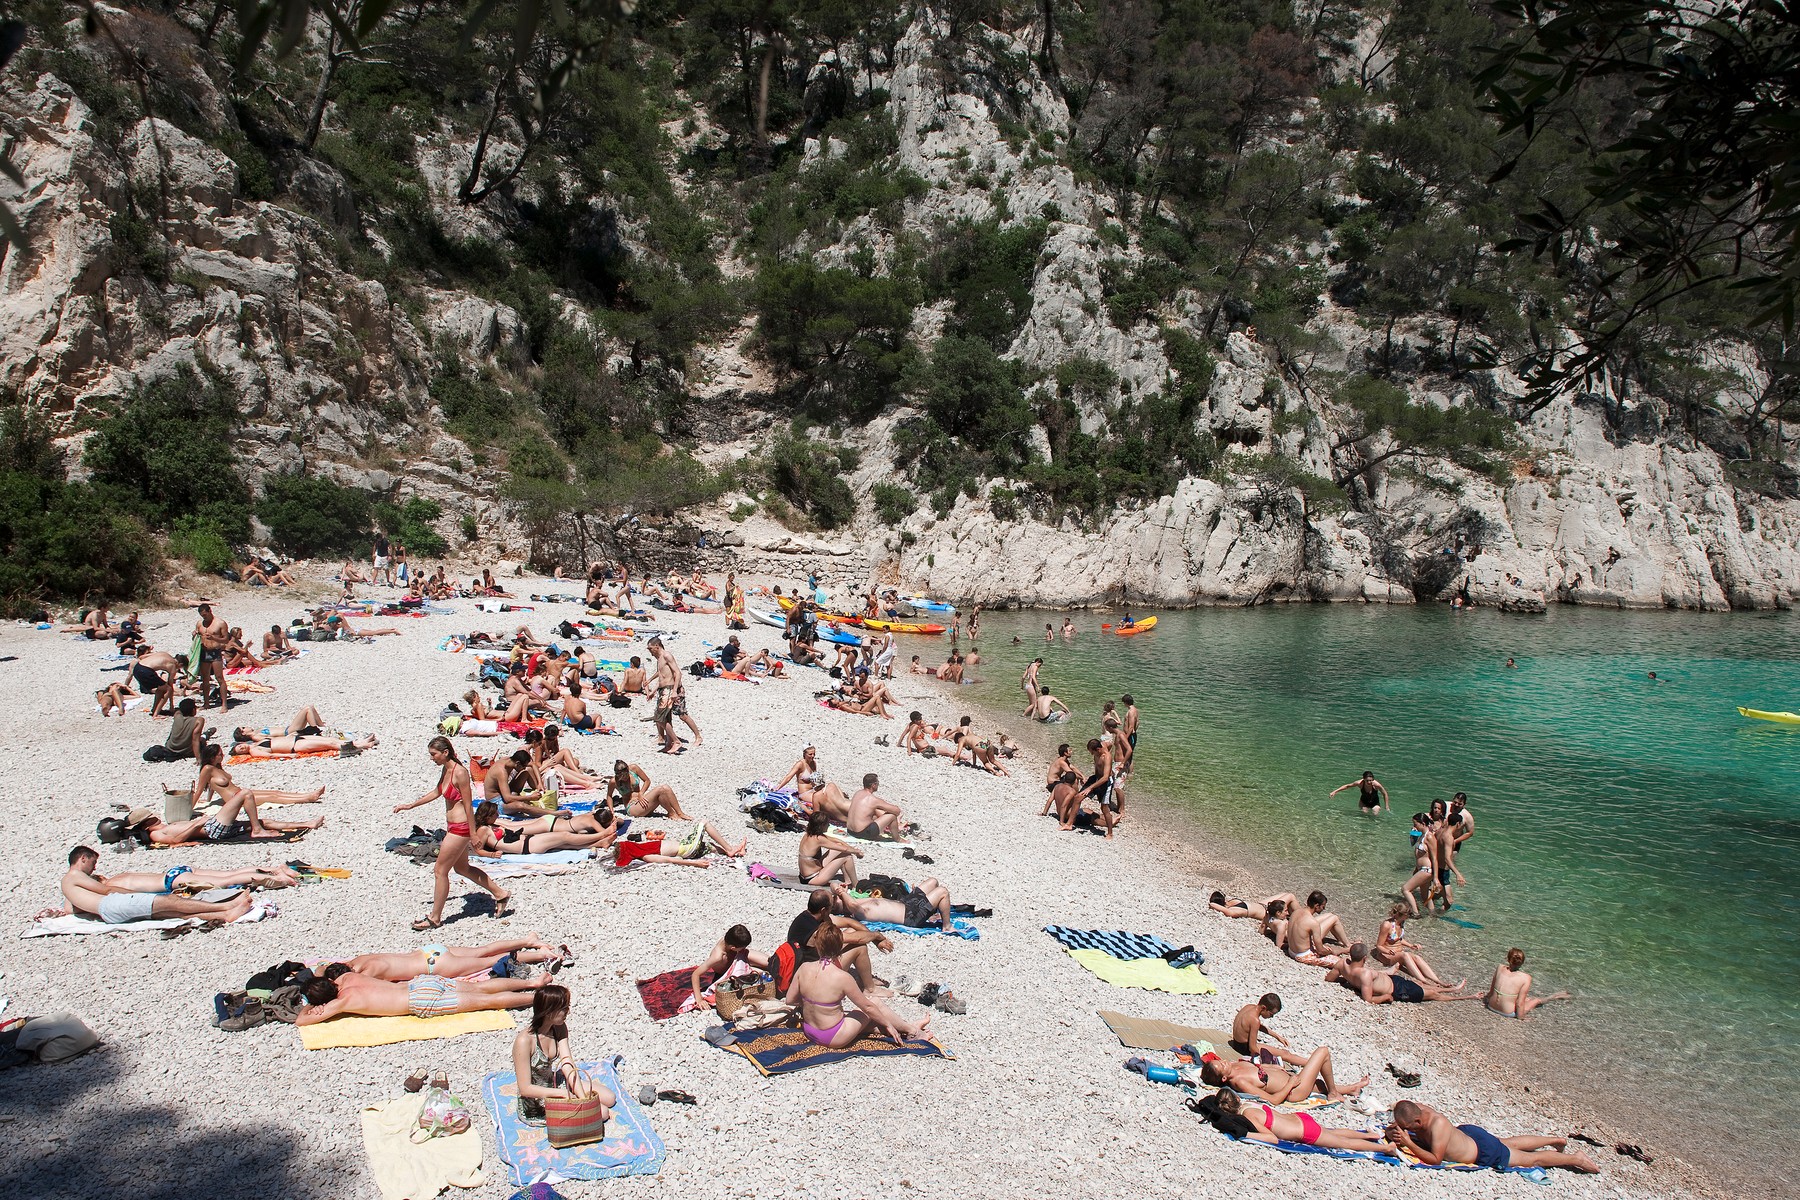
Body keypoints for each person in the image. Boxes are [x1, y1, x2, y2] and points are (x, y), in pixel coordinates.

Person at [393, 736, 510, 929]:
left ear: (445, 752)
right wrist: (410, 805)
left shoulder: (460, 773)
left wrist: (473, 834)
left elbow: (467, 803)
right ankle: (501, 894)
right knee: (462, 868)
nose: (432, 758)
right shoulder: (446, 770)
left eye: (434, 754)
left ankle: (435, 918)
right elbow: (437, 791)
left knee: (440, 871)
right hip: (454, 827)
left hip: (461, 828)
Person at [785, 923, 930, 1048]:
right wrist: (888, 1025)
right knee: (875, 1004)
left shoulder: (804, 968)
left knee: (869, 1017)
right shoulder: (842, 977)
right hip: (833, 1037)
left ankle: (906, 1026)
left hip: (810, 1030)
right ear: (839, 945)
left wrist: (814, 1004)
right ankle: (913, 1031)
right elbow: (868, 1007)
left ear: (817, 944)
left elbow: (790, 1000)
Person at [59, 846, 259, 924]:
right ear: (83, 858)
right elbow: (106, 890)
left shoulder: (68, 884)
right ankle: (225, 907)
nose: (94, 869)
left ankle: (224, 915)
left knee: (170, 913)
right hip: (114, 904)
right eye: (93, 863)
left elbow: (70, 908)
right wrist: (130, 893)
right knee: (171, 901)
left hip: (108, 914)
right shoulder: (74, 875)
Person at [1387, 1100, 1599, 1173]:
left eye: (1408, 1129)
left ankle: (1576, 1158)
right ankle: (1555, 1140)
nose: (1405, 1131)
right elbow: (1398, 1120)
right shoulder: (1414, 1111)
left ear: (1417, 1122)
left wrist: (1408, 1143)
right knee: (1508, 1143)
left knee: (1530, 1159)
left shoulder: (1437, 1124)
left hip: (1482, 1152)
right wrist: (1392, 1131)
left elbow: (1436, 1159)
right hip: (1469, 1135)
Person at [510, 983, 613, 1123]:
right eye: (563, 1009)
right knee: (603, 1113)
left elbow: (567, 1064)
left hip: (553, 1083)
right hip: (536, 1098)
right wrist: (563, 1094)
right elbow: (525, 1089)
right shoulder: (524, 1041)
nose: (567, 1012)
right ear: (548, 1011)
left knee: (609, 1098)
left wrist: (582, 1098)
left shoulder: (558, 1028)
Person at [296, 970, 550, 1024]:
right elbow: (323, 968)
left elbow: (302, 1021)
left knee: (487, 1002)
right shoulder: (348, 978)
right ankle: (532, 982)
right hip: (419, 983)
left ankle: (537, 998)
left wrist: (309, 1007)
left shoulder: (342, 1002)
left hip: (419, 1002)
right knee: (482, 988)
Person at [1202, 1089, 1402, 1156]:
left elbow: (1271, 1138)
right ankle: (1371, 1135)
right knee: (1332, 1132)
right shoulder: (1250, 1103)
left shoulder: (1249, 1117)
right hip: (1300, 1118)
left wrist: (1246, 1134)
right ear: (1237, 1099)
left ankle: (1387, 1149)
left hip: (1303, 1131)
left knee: (1344, 1144)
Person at [192, 744, 327, 822]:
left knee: (275, 792)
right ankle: (308, 798)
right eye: (220, 754)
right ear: (212, 756)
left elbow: (212, 787)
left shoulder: (217, 767)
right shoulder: (207, 769)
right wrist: (190, 810)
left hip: (239, 792)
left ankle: (307, 795)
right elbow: (200, 789)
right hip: (234, 799)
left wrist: (209, 800)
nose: (222, 756)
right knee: (272, 798)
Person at [1197, 1043, 1368, 1103]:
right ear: (1225, 1078)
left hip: (1289, 1078)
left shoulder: (1234, 1065)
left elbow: (1259, 1070)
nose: (1223, 1061)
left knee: (1319, 1085)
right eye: (1221, 1066)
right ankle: (1333, 1094)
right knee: (1322, 1052)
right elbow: (1272, 1100)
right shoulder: (1240, 1082)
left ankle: (1351, 1089)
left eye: (1219, 1060)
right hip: (1294, 1091)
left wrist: (1275, 1068)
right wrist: (1290, 1084)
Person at [343, 937, 568, 981]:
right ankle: (529, 941)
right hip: (429, 951)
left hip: (434, 966)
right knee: (484, 949)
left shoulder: (365, 974)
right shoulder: (359, 959)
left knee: (491, 961)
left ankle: (542, 955)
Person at [1325, 944, 1477, 1004]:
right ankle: (1465, 996)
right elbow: (1368, 999)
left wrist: (1346, 980)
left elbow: (1329, 979)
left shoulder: (1342, 964)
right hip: (1398, 991)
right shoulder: (1364, 974)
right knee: (1433, 995)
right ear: (1364, 958)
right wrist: (1386, 997)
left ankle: (1451, 989)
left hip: (1393, 980)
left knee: (1423, 985)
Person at [470, 802, 618, 857]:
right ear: (487, 816)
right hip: (528, 845)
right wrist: (492, 855)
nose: (497, 815)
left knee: (565, 844)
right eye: (494, 813)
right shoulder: (483, 830)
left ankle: (600, 843)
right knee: (565, 836)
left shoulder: (490, 825)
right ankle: (602, 836)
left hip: (529, 842)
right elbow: (478, 849)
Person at [829, 877, 957, 935]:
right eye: (838, 899)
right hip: (911, 916)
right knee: (942, 891)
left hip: (906, 903)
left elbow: (832, 884)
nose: (840, 896)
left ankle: (934, 912)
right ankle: (946, 926)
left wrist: (839, 890)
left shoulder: (855, 902)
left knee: (932, 882)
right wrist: (841, 893)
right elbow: (851, 903)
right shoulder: (857, 911)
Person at [691, 925, 770, 1010]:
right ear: (733, 948)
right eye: (742, 948)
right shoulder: (718, 957)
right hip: (728, 972)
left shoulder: (728, 940)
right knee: (762, 974)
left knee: (769, 962)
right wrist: (699, 1000)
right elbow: (695, 974)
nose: (744, 949)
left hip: (738, 961)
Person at [612, 820, 747, 867]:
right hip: (686, 850)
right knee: (704, 823)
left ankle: (737, 852)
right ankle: (730, 849)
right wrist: (695, 864)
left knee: (709, 846)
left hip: (685, 845)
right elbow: (669, 860)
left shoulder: (642, 848)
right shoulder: (646, 856)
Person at [1481, 948, 1570, 1019]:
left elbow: (1491, 991)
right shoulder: (1526, 978)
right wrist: (1521, 1018)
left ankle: (1558, 995)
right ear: (1522, 962)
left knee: (1526, 999)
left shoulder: (1500, 967)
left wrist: (1486, 998)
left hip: (1491, 1006)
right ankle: (1554, 996)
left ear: (1507, 959)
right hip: (1507, 1012)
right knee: (1536, 1000)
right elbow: (1520, 1004)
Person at [1374, 904, 1451, 986]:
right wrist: (1388, 951)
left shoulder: (1401, 922)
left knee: (1416, 957)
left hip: (1398, 954)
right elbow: (1379, 946)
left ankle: (1438, 980)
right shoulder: (1387, 925)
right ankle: (1425, 981)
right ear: (1402, 914)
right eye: (1409, 914)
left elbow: (1398, 938)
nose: (1410, 916)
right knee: (1405, 955)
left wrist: (1410, 945)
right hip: (1386, 955)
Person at [1228, 993, 1308, 1066]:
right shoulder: (1255, 1020)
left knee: (1281, 1052)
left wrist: (1277, 1036)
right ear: (1264, 1008)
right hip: (1244, 1049)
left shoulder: (1249, 1007)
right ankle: (1311, 1064)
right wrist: (1269, 1058)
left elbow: (1254, 1026)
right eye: (1271, 1014)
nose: (1271, 1017)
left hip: (1236, 1043)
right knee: (1285, 1054)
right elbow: (1252, 1047)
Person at [1283, 890, 1349, 967]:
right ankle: (1347, 948)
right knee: (1342, 963)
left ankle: (1346, 946)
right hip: (1302, 955)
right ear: (1317, 906)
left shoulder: (1296, 912)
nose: (1323, 909)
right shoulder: (1313, 923)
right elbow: (1320, 951)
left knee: (1332, 917)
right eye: (1323, 906)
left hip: (1291, 950)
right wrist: (1330, 952)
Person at [797, 812, 863, 886]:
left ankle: (848, 881)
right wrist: (857, 852)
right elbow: (844, 849)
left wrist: (852, 848)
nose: (829, 825)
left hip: (806, 875)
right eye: (827, 823)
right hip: (813, 878)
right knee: (847, 857)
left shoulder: (808, 834)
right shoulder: (819, 839)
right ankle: (856, 886)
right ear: (822, 826)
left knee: (840, 847)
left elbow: (837, 841)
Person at [607, 760, 688, 819]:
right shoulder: (613, 782)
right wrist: (611, 811)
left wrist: (641, 793)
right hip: (632, 807)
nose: (625, 778)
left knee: (666, 788)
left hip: (641, 800)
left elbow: (647, 781)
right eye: (623, 777)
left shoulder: (634, 768)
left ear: (628, 770)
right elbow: (609, 796)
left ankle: (680, 813)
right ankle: (671, 813)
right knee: (660, 789)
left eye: (626, 775)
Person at [647, 635, 684, 753]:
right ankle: (669, 743)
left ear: (657, 646)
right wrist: (653, 690)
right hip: (663, 690)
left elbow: (677, 673)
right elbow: (662, 676)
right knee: (666, 717)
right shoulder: (659, 659)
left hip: (668, 690)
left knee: (659, 717)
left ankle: (676, 741)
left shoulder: (667, 655)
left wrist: (674, 691)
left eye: (650, 648)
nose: (650, 652)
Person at [845, 773, 909, 839]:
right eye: (877, 783)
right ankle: (898, 839)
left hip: (850, 831)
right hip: (861, 833)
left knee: (874, 813)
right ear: (873, 785)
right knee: (892, 816)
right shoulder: (873, 799)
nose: (878, 784)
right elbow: (897, 811)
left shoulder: (857, 793)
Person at [130, 646, 186, 716]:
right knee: (167, 689)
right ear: (180, 664)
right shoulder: (173, 666)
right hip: (145, 671)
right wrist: (171, 706)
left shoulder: (164, 654)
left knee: (161, 688)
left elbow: (141, 657)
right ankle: (156, 714)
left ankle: (155, 709)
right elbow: (170, 687)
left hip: (137, 667)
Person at [194, 602, 230, 708]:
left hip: (215, 651)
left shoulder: (220, 623)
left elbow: (226, 639)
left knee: (219, 678)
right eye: (202, 616)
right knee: (205, 678)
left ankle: (224, 704)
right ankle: (206, 703)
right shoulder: (200, 624)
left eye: (205, 615)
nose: (204, 617)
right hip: (204, 651)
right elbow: (197, 635)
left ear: (210, 611)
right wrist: (195, 634)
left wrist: (214, 638)